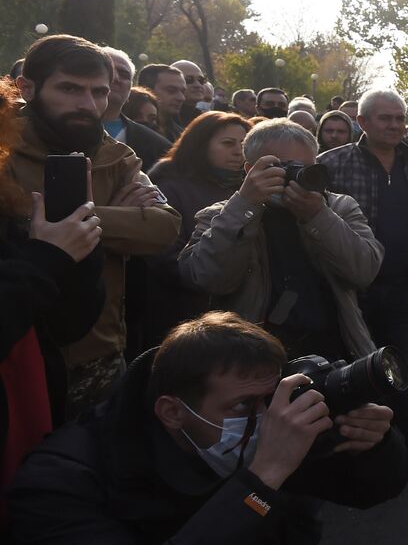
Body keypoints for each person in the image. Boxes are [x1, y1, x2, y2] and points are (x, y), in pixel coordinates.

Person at [7, 312, 408, 545]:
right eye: (240, 407)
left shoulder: (260, 425)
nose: (265, 419)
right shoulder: (62, 481)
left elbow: (373, 489)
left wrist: (373, 443)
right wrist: (259, 482)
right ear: (172, 412)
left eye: (267, 399)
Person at [12, 35, 181, 416]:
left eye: (99, 92)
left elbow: (164, 227)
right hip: (20, 353)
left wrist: (74, 219)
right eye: (70, 89)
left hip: (100, 353)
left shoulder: (116, 155)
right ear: (27, 87)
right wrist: (113, 220)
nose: (88, 105)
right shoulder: (4, 150)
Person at [0, 77, 104, 545]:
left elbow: (64, 326)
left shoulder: (8, 203)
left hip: (30, 418)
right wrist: (45, 262)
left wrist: (75, 254)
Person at [318, 87, 408, 466]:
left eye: (400, 118)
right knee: (353, 368)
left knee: (407, 366)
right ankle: (359, 453)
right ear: (362, 122)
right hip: (350, 288)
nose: (395, 125)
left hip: (404, 286)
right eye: (385, 117)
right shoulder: (332, 164)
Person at [181, 119, 385, 365]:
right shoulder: (221, 215)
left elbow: (365, 271)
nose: (296, 177)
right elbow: (208, 277)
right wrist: (246, 204)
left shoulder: (340, 207)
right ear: (250, 169)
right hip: (253, 358)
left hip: (335, 352)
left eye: (306, 168)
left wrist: (318, 216)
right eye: (283, 167)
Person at [145, 111, 251, 348]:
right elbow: (164, 255)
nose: (238, 151)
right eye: (228, 143)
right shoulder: (170, 189)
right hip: (184, 315)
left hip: (238, 315)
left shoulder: (249, 189)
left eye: (244, 144)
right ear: (201, 145)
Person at [99, 47, 170, 171]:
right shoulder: (61, 129)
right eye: (109, 70)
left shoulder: (158, 146)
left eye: (124, 74)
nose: (116, 78)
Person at [137, 63, 187, 141]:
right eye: (171, 91)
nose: (181, 98)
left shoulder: (182, 136)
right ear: (147, 90)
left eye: (183, 92)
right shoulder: (128, 130)